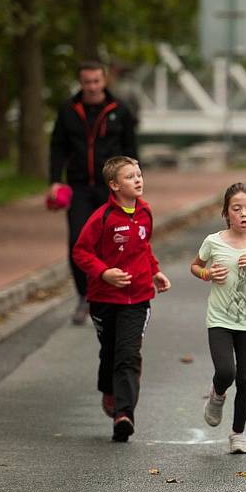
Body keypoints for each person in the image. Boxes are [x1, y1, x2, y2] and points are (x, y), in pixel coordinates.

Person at [73, 156, 171, 443]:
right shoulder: (101, 218)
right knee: (110, 352)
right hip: (104, 298)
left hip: (138, 297)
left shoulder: (146, 213)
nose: (138, 180)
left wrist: (155, 271)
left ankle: (123, 415)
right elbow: (81, 252)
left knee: (128, 354)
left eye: (139, 174)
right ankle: (109, 390)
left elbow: (144, 247)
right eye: (130, 177)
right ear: (114, 185)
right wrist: (104, 273)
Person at [190, 183, 246, 454]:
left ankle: (238, 434)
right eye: (237, 208)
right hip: (219, 319)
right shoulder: (213, 242)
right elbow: (195, 266)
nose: (243, 214)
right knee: (226, 372)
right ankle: (217, 394)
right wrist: (206, 275)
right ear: (226, 212)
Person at [47, 60, 138, 325]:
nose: (92, 87)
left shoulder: (119, 109)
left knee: (115, 241)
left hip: (111, 187)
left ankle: (113, 295)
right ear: (81, 82)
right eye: (87, 82)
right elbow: (57, 146)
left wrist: (132, 184)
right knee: (78, 242)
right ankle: (83, 296)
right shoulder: (68, 110)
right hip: (78, 187)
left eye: (96, 81)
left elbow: (131, 150)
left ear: (104, 80)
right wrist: (54, 180)